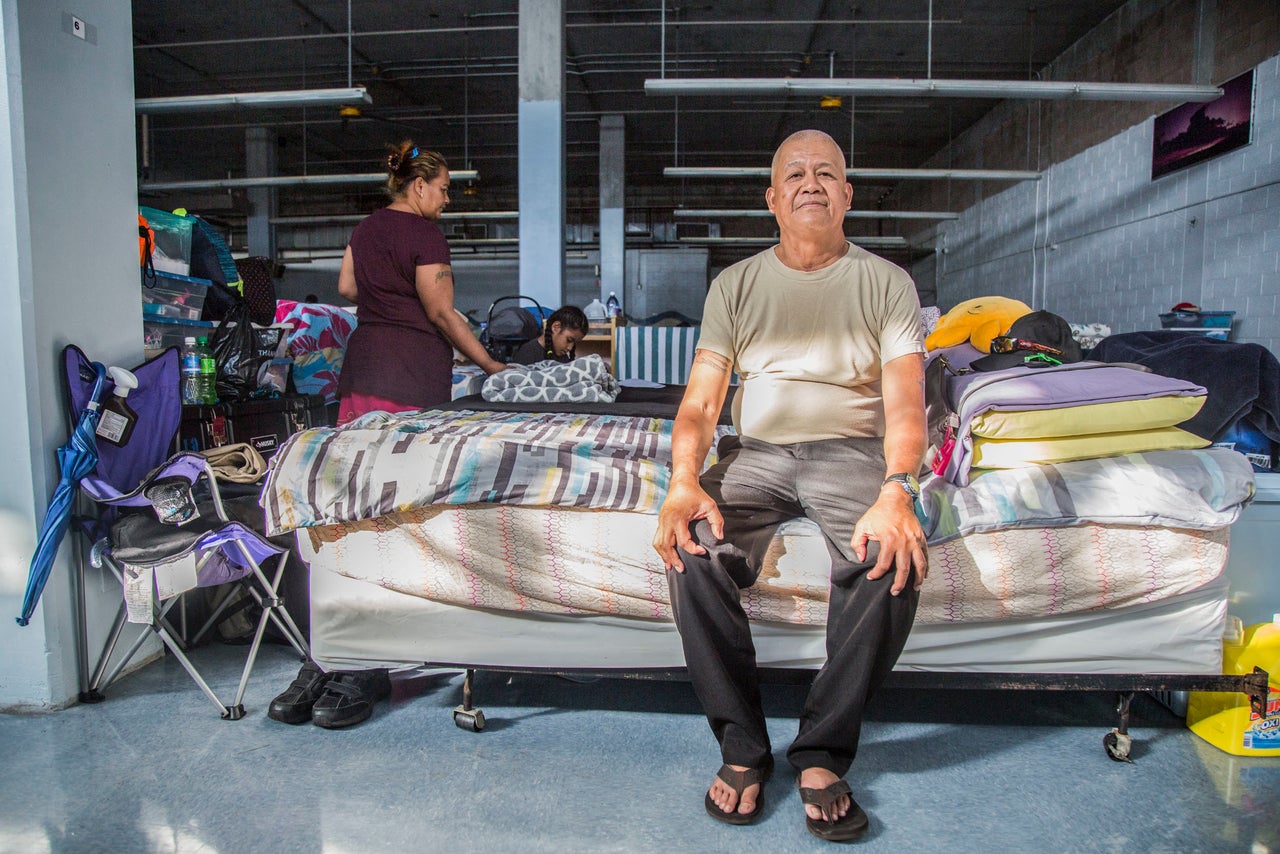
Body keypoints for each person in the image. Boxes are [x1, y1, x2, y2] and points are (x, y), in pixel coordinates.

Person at [652, 129, 928, 843]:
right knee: (692, 550)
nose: (812, 183)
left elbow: (905, 405)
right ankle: (743, 746)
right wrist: (684, 480)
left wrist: (898, 488)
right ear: (772, 199)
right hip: (759, 454)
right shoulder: (736, 284)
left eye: (827, 173)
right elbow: (702, 404)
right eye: (796, 174)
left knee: (888, 559)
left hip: (851, 453)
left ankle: (822, 751)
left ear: (847, 195)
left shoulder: (886, 282)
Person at [268, 140, 509, 731]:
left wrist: (385, 289)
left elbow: (349, 288)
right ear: (420, 186)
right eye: (446, 188)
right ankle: (369, 653)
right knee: (400, 509)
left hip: (363, 369)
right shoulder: (425, 235)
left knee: (350, 505)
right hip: (409, 375)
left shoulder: (366, 228)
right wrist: (496, 369)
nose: (448, 199)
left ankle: (339, 651)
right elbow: (444, 314)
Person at [508, 305, 589, 365]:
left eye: (574, 343)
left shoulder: (563, 358)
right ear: (556, 327)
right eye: (569, 340)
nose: (570, 347)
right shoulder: (527, 354)